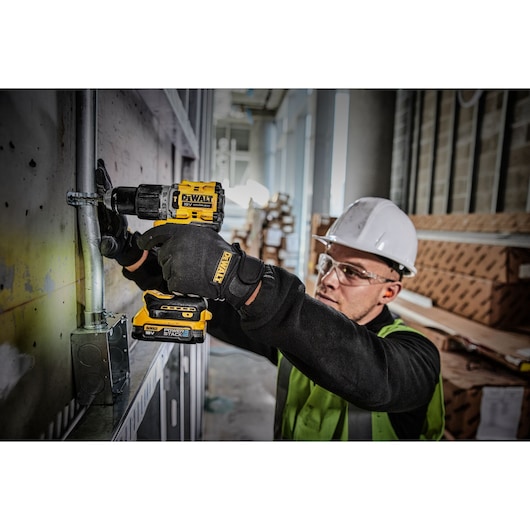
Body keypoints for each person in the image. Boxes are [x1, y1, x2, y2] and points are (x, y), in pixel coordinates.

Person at [96, 165, 445, 441]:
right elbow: (215, 308)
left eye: (352, 272)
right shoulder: (297, 333)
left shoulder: (417, 358)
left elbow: (372, 374)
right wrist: (132, 253)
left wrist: (242, 278)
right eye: (328, 263)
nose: (328, 279)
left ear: (390, 292)